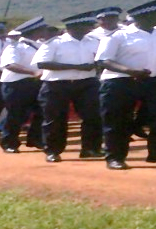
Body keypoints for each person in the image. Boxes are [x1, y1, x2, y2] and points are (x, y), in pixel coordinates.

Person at [95, 0, 156, 170]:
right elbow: (103, 60)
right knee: (118, 120)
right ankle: (115, 157)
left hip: (155, 79)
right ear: (145, 16)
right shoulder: (119, 35)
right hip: (121, 81)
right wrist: (131, 71)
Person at [34, 11, 104, 163]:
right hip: (57, 84)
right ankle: (53, 151)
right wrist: (77, 67)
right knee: (55, 119)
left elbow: (102, 59)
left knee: (93, 116)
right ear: (75, 27)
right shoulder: (55, 43)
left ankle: (90, 148)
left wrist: (96, 65)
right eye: (87, 25)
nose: (90, 28)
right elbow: (42, 63)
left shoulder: (94, 41)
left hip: (87, 82)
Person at [0, 17, 47, 154]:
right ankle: (9, 142)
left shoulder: (40, 45)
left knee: (41, 111)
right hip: (17, 84)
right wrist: (33, 72)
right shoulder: (14, 47)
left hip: (36, 83)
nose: (45, 31)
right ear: (34, 31)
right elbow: (10, 65)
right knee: (16, 114)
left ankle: (35, 139)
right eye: (42, 29)